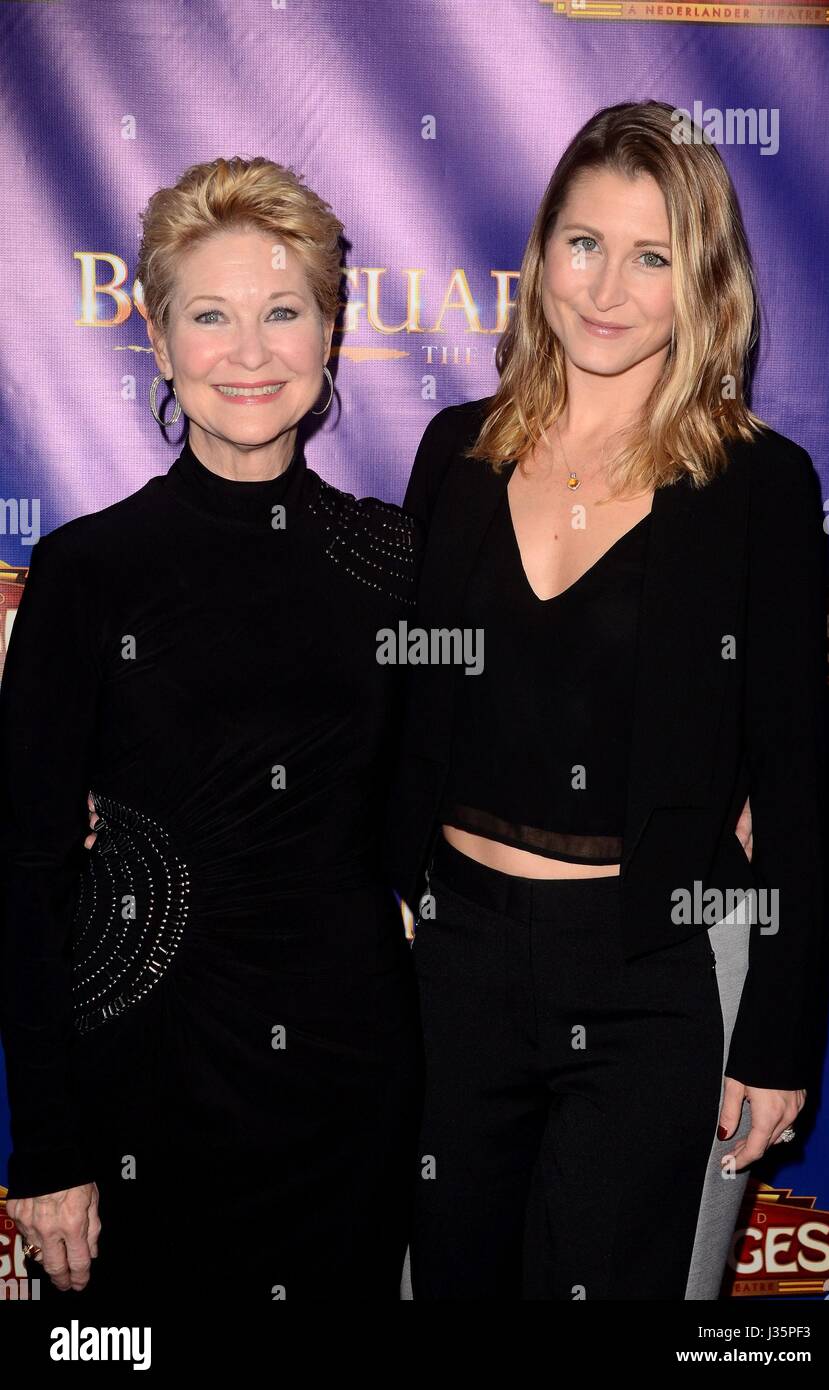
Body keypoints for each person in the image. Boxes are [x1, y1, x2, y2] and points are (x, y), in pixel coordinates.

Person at [384, 101, 829, 1300]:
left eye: (654, 257)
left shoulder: (761, 489)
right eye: (584, 243)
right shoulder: (456, 452)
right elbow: (398, 705)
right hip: (452, 969)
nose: (608, 287)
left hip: (650, 976)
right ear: (540, 253)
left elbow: (796, 787)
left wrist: (778, 1042)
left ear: (705, 287)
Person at [0, 156, 422, 1304]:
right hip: (141, 1091)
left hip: (350, 1091)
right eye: (211, 315)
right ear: (157, 333)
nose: (249, 353)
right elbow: (26, 877)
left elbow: (440, 817)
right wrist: (45, 1149)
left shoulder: (393, 562)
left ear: (332, 333)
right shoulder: (87, 572)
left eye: (284, 311)